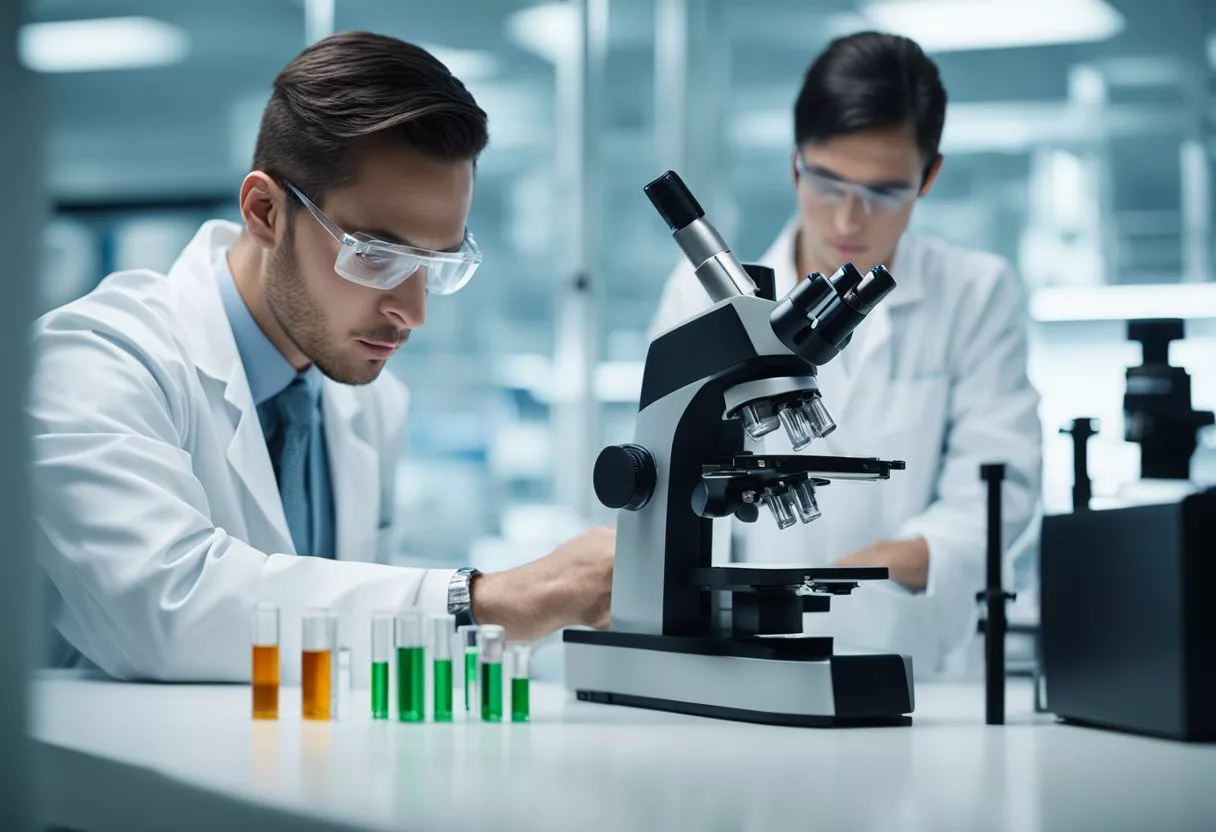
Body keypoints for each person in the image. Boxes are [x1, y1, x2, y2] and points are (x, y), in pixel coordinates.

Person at [29, 31, 614, 682]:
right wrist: (496, 600)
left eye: (437, 263)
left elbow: (361, 636)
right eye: (378, 257)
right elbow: (167, 610)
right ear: (264, 212)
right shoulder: (93, 362)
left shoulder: (369, 401)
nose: (413, 312)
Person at [651, 32, 1041, 675]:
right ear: (795, 164)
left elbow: (995, 498)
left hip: (915, 662)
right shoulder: (703, 299)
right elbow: (670, 489)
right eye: (828, 183)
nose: (848, 221)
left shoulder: (974, 293)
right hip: (742, 662)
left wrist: (842, 575)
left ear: (929, 178)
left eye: (884, 192)